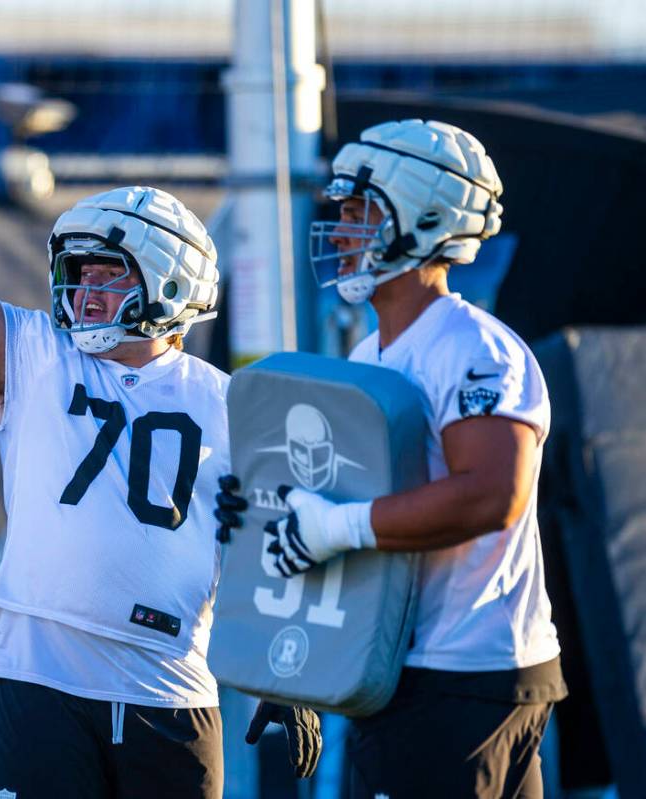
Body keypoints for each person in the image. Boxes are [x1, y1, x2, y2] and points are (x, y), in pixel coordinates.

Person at [0, 29, 320, 799]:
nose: (81, 292)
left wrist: (286, 671)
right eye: (76, 273)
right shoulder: (30, 354)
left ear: (168, 283)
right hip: (41, 675)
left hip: (171, 692)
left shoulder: (228, 402)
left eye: (105, 274)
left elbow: (271, 545)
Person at [215, 119, 567, 798]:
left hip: (462, 677)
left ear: (424, 215)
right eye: (341, 213)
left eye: (358, 212)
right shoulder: (367, 357)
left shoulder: (472, 348)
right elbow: (343, 530)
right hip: (412, 676)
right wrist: (301, 664)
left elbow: (491, 494)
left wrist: (334, 527)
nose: (341, 230)